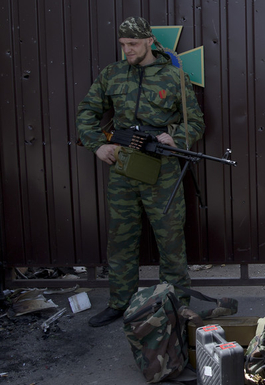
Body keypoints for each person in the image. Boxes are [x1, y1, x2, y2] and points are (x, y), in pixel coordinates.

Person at [77, 17, 205, 327]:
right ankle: (120, 303)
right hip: (122, 167)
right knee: (121, 238)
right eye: (123, 45)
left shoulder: (173, 77)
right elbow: (87, 114)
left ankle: (174, 305)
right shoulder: (112, 74)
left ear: (148, 41)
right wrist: (97, 146)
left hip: (162, 168)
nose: (127, 50)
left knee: (170, 238)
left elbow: (196, 121)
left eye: (132, 44)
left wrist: (175, 135)